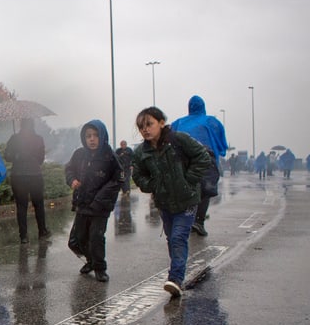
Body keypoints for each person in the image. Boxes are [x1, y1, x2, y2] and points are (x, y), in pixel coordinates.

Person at [132, 107, 210, 297]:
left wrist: (189, 180)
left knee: (178, 237)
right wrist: (151, 184)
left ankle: (175, 279)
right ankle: (177, 271)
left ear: (161, 122)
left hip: (187, 201)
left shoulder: (179, 140)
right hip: (164, 203)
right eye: (141, 127)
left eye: (149, 124)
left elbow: (203, 157)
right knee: (171, 238)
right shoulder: (141, 152)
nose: (145, 130)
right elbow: (138, 175)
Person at [65, 120, 123, 282]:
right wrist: (72, 180)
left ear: (102, 136)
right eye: (88, 136)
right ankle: (90, 260)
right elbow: (69, 169)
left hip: (100, 207)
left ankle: (100, 267)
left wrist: (101, 198)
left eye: (95, 135)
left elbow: (118, 179)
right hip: (82, 203)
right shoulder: (79, 154)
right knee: (77, 239)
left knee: (96, 237)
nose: (92, 139)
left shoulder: (109, 157)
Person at [171, 95, 228, 237]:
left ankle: (185, 221)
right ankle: (199, 221)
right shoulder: (211, 121)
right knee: (205, 190)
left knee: (186, 188)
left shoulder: (178, 122)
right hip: (205, 158)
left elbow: (169, 139)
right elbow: (221, 141)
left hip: (182, 159)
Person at [4, 118, 50, 244]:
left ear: (21, 125)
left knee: (21, 206)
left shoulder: (14, 139)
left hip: (18, 176)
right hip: (35, 175)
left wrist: (16, 155)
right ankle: (42, 231)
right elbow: (41, 160)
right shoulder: (39, 139)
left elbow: (7, 156)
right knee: (39, 204)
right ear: (33, 125)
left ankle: (23, 236)